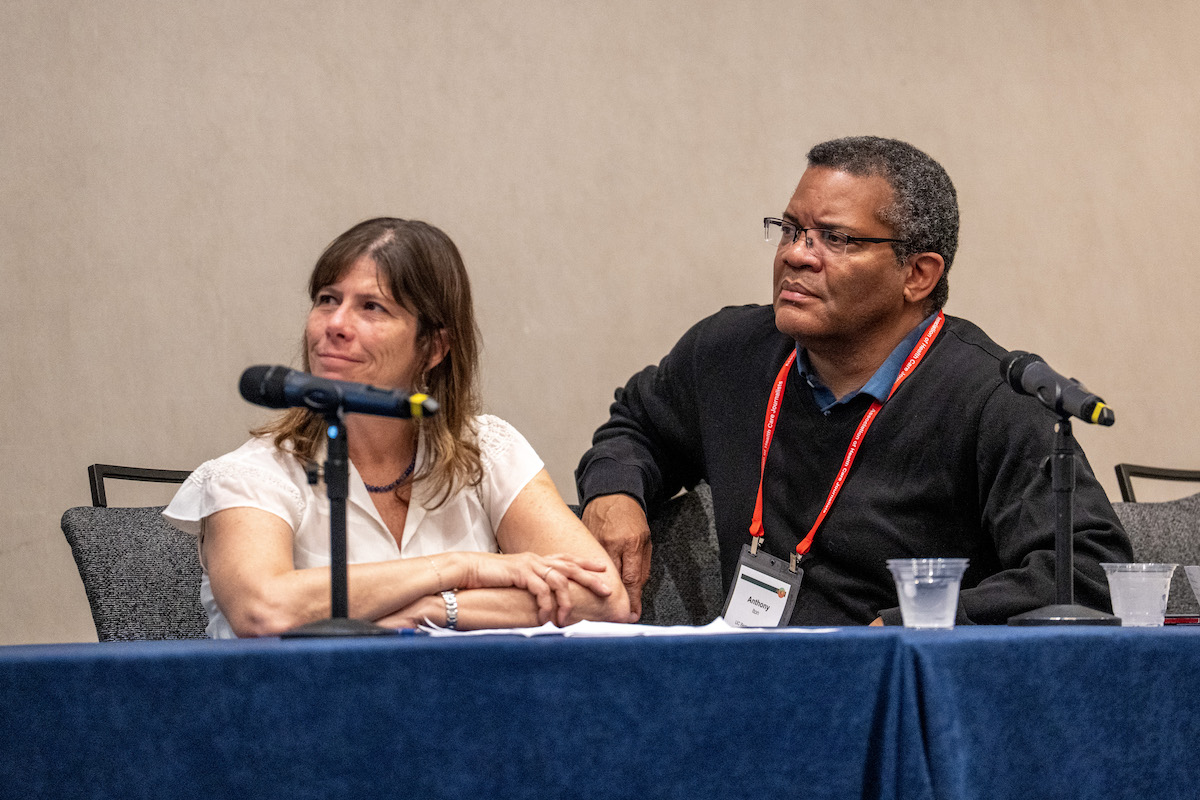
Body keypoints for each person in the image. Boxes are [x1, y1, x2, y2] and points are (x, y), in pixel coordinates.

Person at [575, 136, 1133, 626]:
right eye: (791, 230)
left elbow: (1087, 569)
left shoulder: (991, 398)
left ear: (917, 275)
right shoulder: (730, 351)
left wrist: (912, 622)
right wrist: (615, 492)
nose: (796, 255)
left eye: (835, 239)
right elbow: (636, 425)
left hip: (903, 700)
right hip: (747, 686)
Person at [166, 217, 631, 637]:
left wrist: (430, 610)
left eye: (372, 307)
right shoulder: (251, 474)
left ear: (433, 348)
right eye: (328, 300)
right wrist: (460, 567)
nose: (337, 325)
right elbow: (264, 609)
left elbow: (603, 597)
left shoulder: (487, 451)